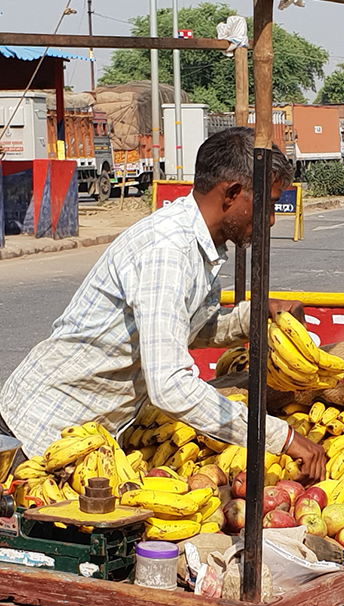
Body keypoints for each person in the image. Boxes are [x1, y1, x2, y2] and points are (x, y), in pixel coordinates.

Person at [0, 126, 326, 482]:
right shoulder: (167, 251)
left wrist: (253, 317)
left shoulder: (198, 246)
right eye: (267, 205)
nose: (272, 220)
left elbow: (187, 329)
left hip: (89, 436)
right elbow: (169, 385)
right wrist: (282, 437)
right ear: (233, 193)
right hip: (41, 432)